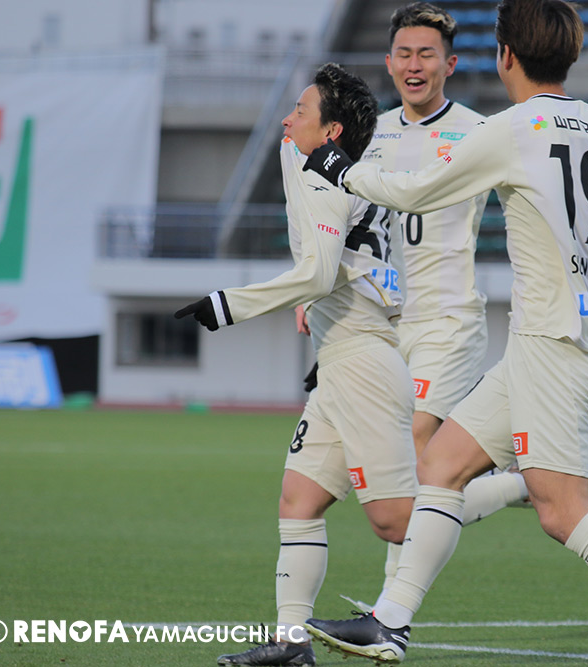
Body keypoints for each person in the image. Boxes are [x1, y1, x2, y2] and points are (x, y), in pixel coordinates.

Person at [302, 1, 588, 666]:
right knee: (441, 466)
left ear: (505, 55)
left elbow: (417, 191)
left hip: (551, 351)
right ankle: (390, 621)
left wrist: (341, 169)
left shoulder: (512, 128)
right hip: (551, 344)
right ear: (570, 54)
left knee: (562, 511)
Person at [175, 63, 416, 667]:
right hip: (342, 359)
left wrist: (227, 305)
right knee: (299, 500)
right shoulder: (348, 167)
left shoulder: (324, 177)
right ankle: (291, 644)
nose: (286, 121)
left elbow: (318, 273)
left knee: (395, 522)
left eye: (300, 112)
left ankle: (511, 487)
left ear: (331, 132)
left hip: (362, 365)